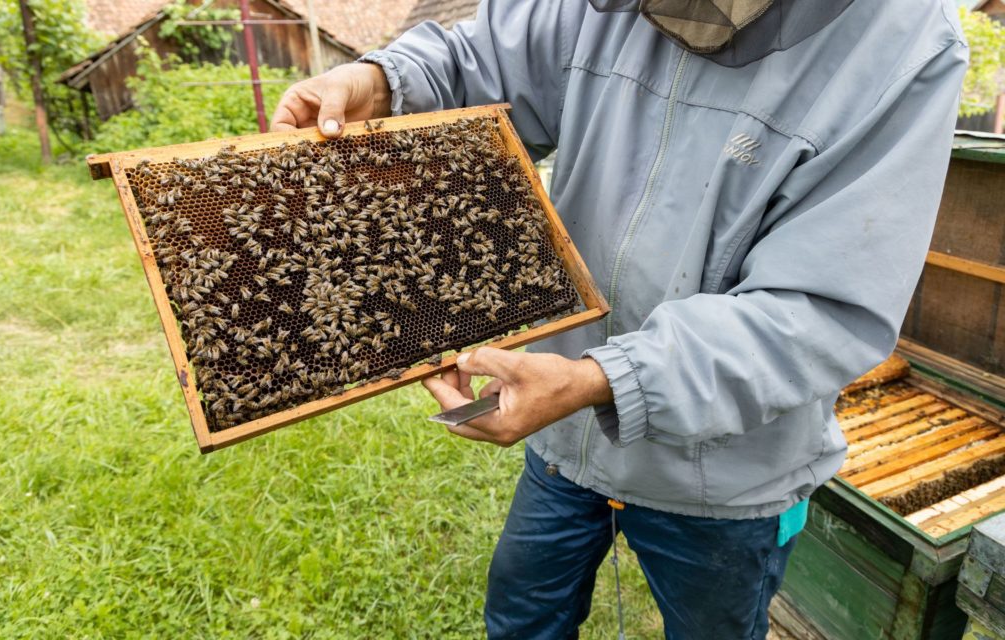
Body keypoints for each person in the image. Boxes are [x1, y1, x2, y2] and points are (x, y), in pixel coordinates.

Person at [271, 1, 968, 637]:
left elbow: (818, 309)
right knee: (521, 618)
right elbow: (483, 55)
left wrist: (604, 377)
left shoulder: (904, 46)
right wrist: (387, 80)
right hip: (567, 438)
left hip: (726, 474)